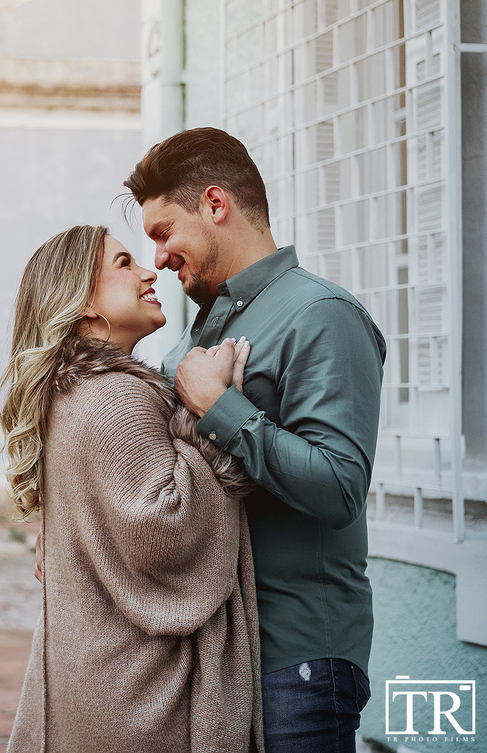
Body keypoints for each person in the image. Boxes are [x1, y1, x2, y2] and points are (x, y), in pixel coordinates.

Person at [128, 127, 386, 752]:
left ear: (215, 204)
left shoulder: (321, 315)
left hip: (295, 661)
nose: (157, 258)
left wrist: (219, 406)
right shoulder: (196, 336)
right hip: (215, 660)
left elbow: (340, 487)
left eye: (164, 232)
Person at [0, 224, 263, 752]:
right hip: (140, 694)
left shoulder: (71, 393)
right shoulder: (116, 396)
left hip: (95, 678)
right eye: (124, 264)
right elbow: (166, 531)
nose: (149, 272)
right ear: (83, 303)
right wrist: (211, 411)